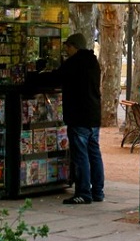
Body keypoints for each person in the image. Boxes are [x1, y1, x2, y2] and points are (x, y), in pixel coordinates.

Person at [31, 33, 104, 205]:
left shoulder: (73, 63)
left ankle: (83, 192)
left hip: (79, 115)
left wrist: (35, 74)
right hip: (93, 115)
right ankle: (98, 191)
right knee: (94, 153)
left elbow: (56, 77)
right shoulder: (93, 62)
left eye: (67, 47)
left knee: (80, 155)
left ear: (73, 46)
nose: (65, 50)